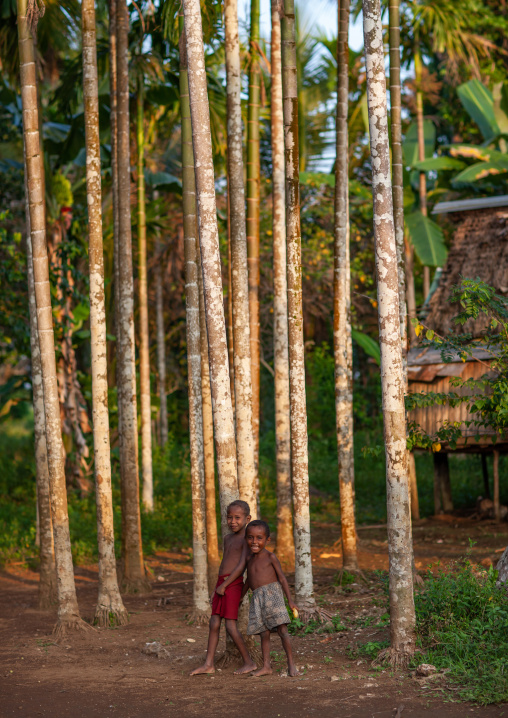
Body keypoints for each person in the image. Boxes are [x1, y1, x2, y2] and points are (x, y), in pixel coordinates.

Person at [217, 519, 300, 677]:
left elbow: (282, 578)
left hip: (272, 595)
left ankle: (291, 665)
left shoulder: (270, 557)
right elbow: (249, 580)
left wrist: (290, 600)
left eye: (259, 538)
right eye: (250, 537)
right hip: (257, 598)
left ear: (267, 540)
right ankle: (266, 666)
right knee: (264, 633)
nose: (254, 542)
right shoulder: (248, 559)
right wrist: (240, 596)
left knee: (282, 630)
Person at [190, 500, 257, 676]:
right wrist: (217, 586)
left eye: (237, 518)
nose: (233, 521)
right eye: (229, 517)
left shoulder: (246, 540)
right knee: (213, 623)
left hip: (233, 584)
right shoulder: (228, 538)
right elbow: (224, 564)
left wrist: (226, 585)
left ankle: (249, 662)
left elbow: (241, 565)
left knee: (230, 626)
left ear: (247, 518)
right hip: (222, 583)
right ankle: (209, 664)